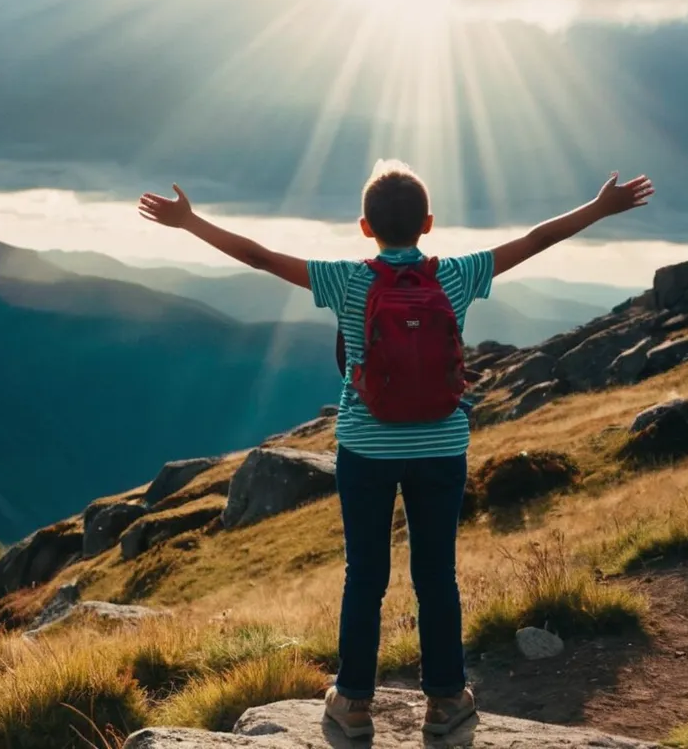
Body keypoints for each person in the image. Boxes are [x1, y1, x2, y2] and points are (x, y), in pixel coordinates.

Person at [138, 159, 654, 738]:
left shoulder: (346, 279)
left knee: (365, 575)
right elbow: (537, 239)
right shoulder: (455, 277)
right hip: (440, 445)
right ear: (427, 223)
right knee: (437, 575)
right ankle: (446, 701)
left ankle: (353, 703)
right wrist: (599, 207)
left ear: (365, 227)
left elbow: (259, 257)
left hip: (365, 446)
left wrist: (189, 222)